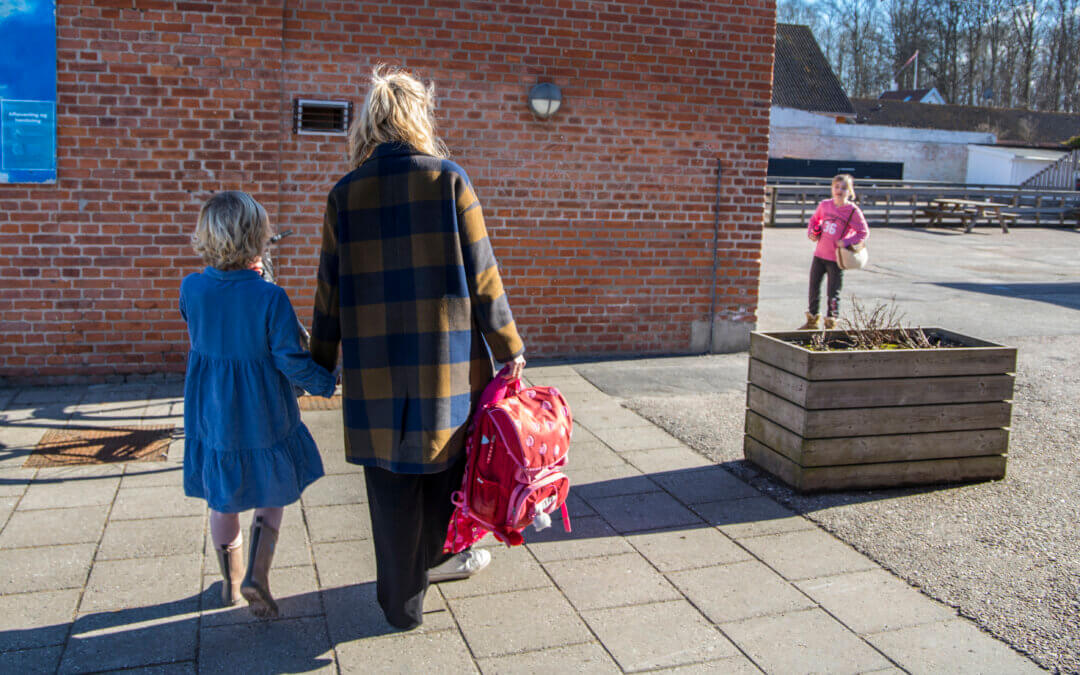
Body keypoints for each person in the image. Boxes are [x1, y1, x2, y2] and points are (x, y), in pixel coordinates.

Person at [309, 66, 525, 630]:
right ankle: (435, 559)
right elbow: (484, 274)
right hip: (445, 366)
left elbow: (328, 289)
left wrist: (321, 363)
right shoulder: (448, 180)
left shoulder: (344, 195)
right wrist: (508, 346)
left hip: (375, 371)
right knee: (444, 473)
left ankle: (401, 602)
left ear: (369, 122)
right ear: (416, 117)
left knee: (389, 487)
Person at [181, 191, 337, 618]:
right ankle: (257, 574)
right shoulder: (270, 298)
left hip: (213, 413)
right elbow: (289, 360)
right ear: (258, 240)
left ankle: (229, 584)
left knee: (223, 499)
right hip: (264, 412)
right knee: (273, 489)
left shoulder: (191, 288)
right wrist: (326, 382)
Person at [800, 173, 869, 329]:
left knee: (833, 292)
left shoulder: (852, 211)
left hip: (836, 259)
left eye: (844, 188)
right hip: (819, 254)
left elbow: (863, 233)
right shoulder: (825, 205)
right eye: (836, 187)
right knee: (814, 288)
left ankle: (831, 321)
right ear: (832, 188)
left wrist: (846, 242)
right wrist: (812, 232)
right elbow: (814, 220)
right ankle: (812, 320)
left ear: (850, 191)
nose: (839, 190)